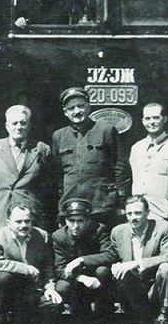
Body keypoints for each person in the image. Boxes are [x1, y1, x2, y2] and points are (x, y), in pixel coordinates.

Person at [53, 87, 128, 230]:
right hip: (71, 204)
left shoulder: (106, 130)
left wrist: (121, 202)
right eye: (71, 108)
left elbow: (120, 167)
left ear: (89, 107)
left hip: (100, 204)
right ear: (65, 112)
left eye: (81, 106)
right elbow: (57, 174)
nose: (77, 111)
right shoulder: (59, 136)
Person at [0, 205, 63, 324]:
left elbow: (47, 266)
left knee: (53, 305)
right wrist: (25, 268)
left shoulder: (42, 236)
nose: (23, 225)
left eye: (27, 221)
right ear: (8, 223)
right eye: (18, 222)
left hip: (31, 288)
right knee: (3, 277)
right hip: (7, 288)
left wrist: (50, 288)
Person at [110, 195, 168, 324]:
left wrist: (138, 263)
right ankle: (137, 316)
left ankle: (164, 316)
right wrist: (115, 266)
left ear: (147, 213)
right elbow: (111, 257)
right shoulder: (118, 232)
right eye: (129, 213)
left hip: (155, 284)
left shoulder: (163, 228)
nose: (133, 217)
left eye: (138, 213)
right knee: (121, 271)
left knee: (166, 268)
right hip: (133, 286)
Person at [52, 199, 117, 324]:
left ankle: (102, 320)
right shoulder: (59, 237)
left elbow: (110, 255)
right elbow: (59, 269)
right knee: (62, 286)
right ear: (65, 221)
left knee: (103, 271)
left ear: (88, 220)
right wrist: (80, 278)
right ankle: (80, 318)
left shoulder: (99, 230)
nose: (75, 226)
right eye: (71, 221)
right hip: (76, 280)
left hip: (97, 280)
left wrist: (81, 260)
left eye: (80, 221)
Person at [0, 105, 55, 231]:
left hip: (30, 215)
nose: (19, 127)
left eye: (23, 123)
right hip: (2, 213)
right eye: (14, 123)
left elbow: (49, 186)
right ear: (7, 126)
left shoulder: (41, 148)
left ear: (29, 125)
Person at [129, 102, 168, 228]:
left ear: (164, 119)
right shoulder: (136, 148)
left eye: (156, 118)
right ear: (143, 121)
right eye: (147, 118)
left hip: (165, 218)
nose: (151, 122)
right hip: (138, 217)